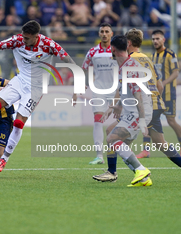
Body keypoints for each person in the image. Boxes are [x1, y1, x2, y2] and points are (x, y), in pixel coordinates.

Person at [0, 20, 76, 173]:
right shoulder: (18, 40)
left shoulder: (49, 45)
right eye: (23, 37)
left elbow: (70, 61)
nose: (23, 40)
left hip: (36, 88)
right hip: (20, 80)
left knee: (18, 122)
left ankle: (4, 159)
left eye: (27, 38)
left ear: (36, 36)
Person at [93, 35, 153, 187]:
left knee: (112, 139)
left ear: (113, 49)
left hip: (137, 112)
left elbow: (138, 93)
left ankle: (140, 170)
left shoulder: (129, 68)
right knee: (110, 132)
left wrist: (142, 119)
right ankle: (118, 174)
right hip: (131, 111)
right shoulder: (124, 65)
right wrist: (114, 106)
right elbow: (125, 90)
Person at [74, 23, 118, 165]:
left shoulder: (118, 51)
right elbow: (83, 69)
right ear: (99, 34)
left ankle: (121, 149)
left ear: (112, 34)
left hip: (116, 91)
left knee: (124, 120)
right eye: (102, 31)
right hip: (99, 89)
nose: (104, 34)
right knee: (98, 120)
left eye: (107, 31)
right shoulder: (93, 52)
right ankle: (99, 156)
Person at [137, 29, 181, 158]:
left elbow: (176, 73)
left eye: (158, 39)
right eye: (153, 39)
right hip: (154, 96)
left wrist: (163, 83)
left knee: (171, 121)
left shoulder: (170, 54)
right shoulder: (152, 56)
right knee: (147, 119)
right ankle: (146, 150)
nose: (155, 41)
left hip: (168, 94)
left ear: (163, 40)